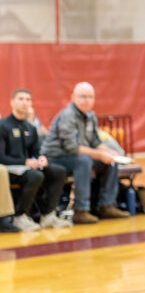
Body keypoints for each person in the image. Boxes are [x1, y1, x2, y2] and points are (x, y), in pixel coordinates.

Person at [42, 82, 130, 224]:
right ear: (73, 97)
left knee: (110, 161)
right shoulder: (68, 115)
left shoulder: (90, 116)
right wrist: (99, 154)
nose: (87, 100)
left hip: (78, 156)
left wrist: (108, 152)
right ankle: (80, 210)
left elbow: (95, 141)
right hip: (57, 157)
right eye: (83, 96)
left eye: (90, 97)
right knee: (84, 161)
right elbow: (72, 148)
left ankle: (106, 205)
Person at [0, 89, 70, 230]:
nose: (24, 102)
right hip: (9, 168)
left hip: (27, 168)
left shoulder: (30, 128)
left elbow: (36, 152)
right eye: (21, 99)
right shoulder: (3, 126)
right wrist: (24, 162)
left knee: (58, 171)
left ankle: (48, 215)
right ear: (12, 102)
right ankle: (20, 216)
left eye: (28, 99)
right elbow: (1, 157)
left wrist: (41, 158)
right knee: (35, 175)